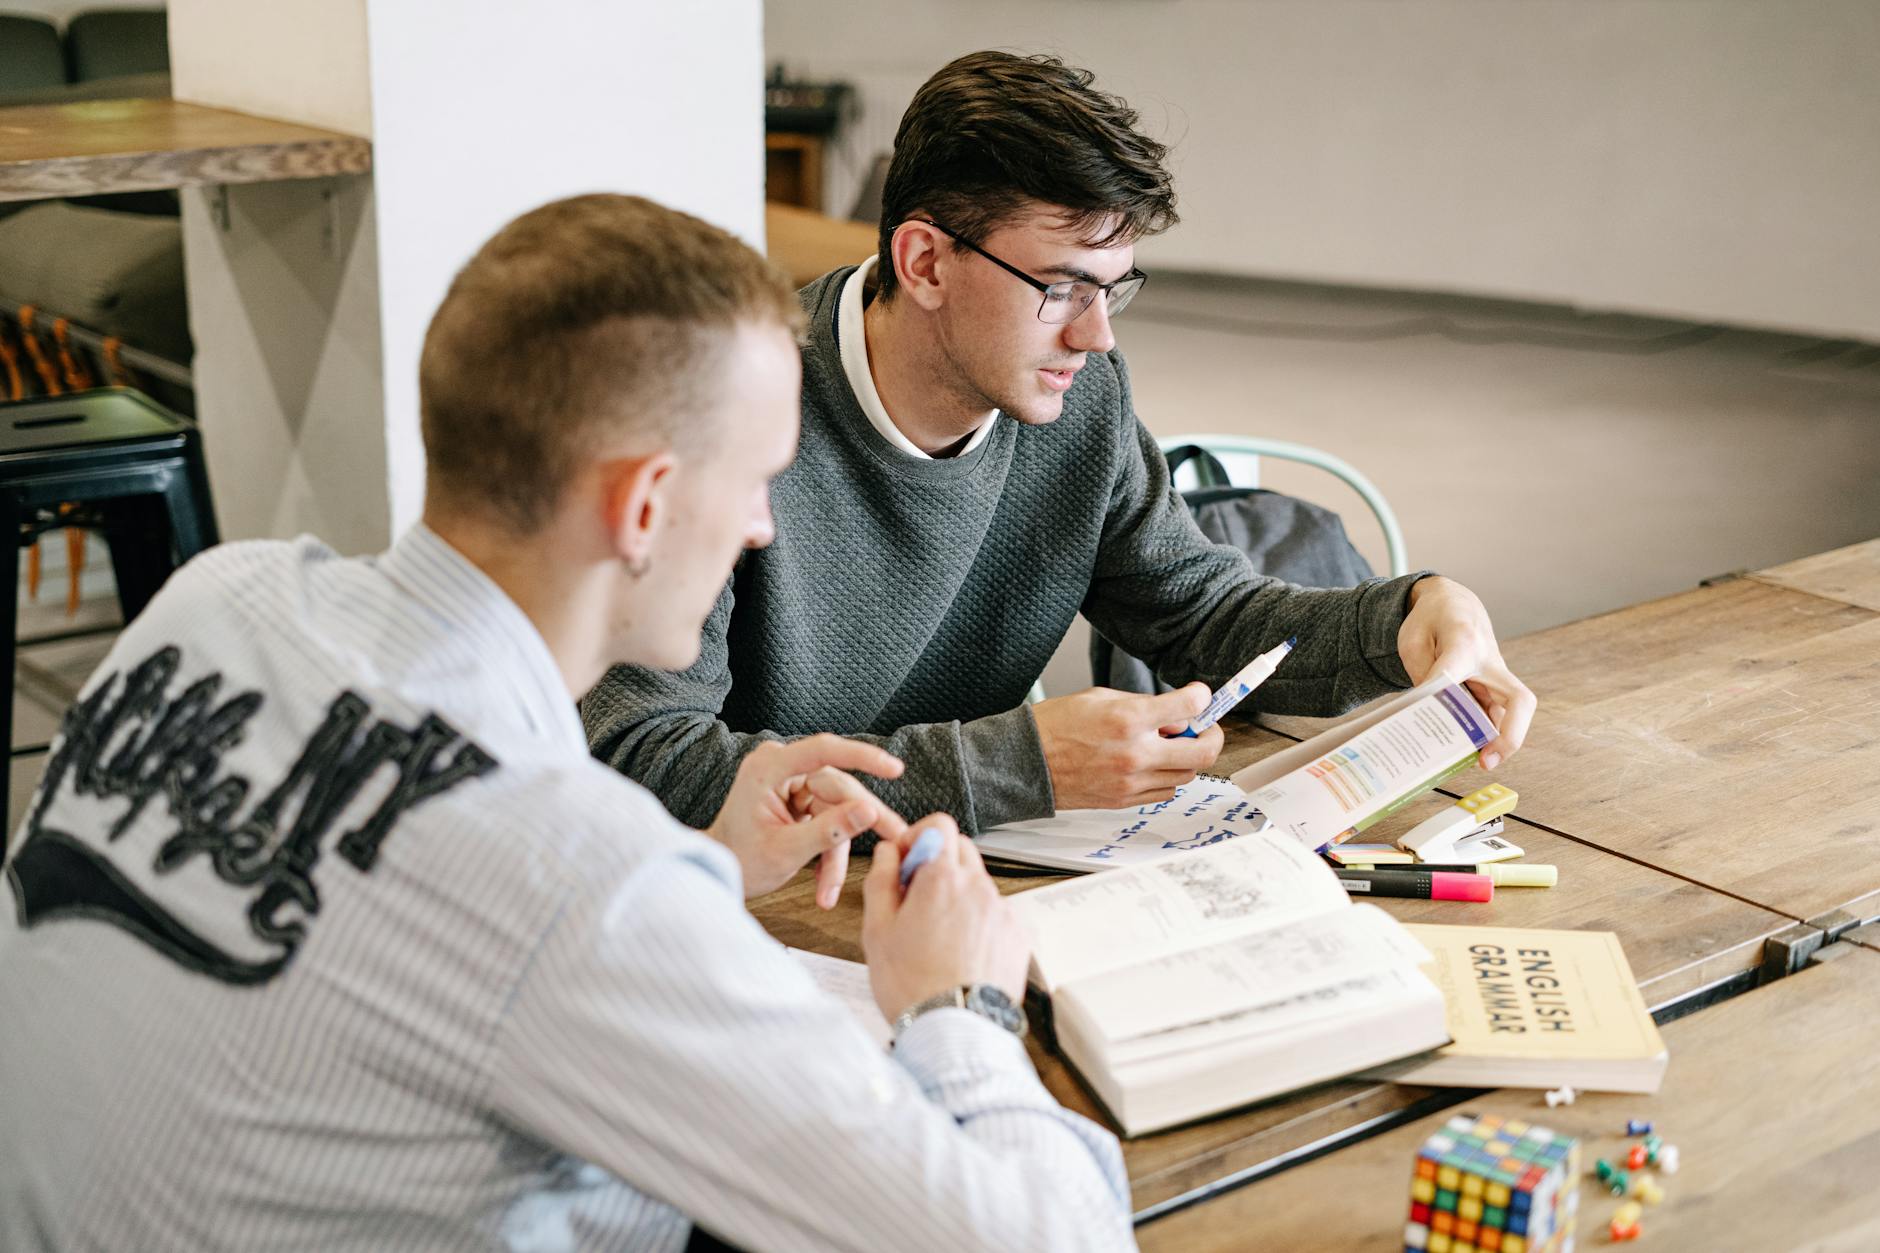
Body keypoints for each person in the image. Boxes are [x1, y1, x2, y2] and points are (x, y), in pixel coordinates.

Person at [0, 194, 1135, 1252]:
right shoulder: (580, 884)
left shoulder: (215, 600)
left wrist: (701, 865)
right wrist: (961, 1000)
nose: (755, 527)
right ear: (642, 507)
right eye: (755, 480)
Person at [584, 50, 1537, 837]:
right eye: (1061, 287)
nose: (1096, 335)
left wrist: (1410, 616)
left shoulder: (1078, 405)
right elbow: (643, 754)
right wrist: (1022, 764)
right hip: (762, 908)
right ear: (924, 262)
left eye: (1113, 287)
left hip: (969, 883)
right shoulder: (729, 409)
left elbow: (1207, 613)